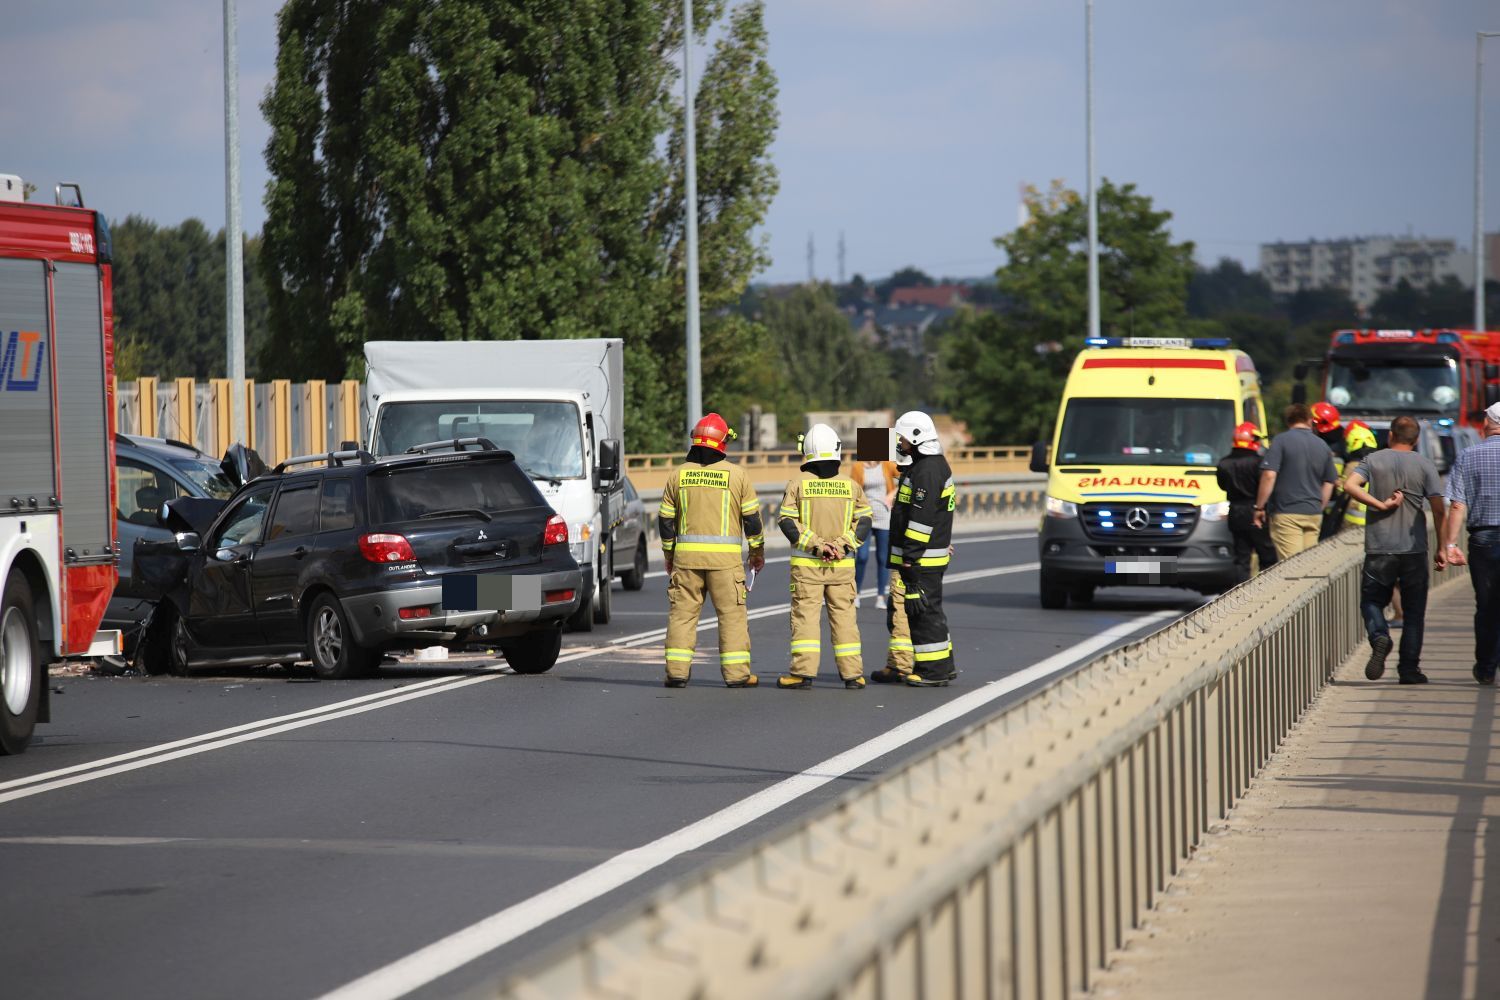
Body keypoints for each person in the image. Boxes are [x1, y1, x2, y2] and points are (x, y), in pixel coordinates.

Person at [658, 413, 765, 689]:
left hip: (686, 562)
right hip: (726, 565)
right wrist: (756, 553)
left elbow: (666, 521)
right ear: (722, 444)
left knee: (682, 616)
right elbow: (752, 520)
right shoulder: (738, 476)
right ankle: (737, 675)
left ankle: (677, 673)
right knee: (731, 617)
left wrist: (670, 556)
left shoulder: (677, 475)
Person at [1341, 415, 1446, 684]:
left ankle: (1379, 636)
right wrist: (1443, 547)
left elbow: (1349, 485)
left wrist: (1380, 504)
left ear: (1390, 436)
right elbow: (1437, 508)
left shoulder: (1372, 460)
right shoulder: (1425, 464)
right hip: (1413, 549)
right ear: (1417, 439)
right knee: (1414, 611)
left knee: (1372, 601)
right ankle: (1409, 670)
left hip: (1379, 547)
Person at [776, 425, 873, 690]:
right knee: (845, 619)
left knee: (805, 619)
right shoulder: (852, 487)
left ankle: (802, 673)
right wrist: (841, 547)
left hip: (807, 568)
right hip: (841, 567)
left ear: (808, 452)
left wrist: (818, 546)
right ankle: (853, 675)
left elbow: (787, 522)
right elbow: (864, 521)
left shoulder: (797, 485)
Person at [873, 410, 957, 688]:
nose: (900, 443)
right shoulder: (923, 467)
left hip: (921, 558)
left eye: (903, 438)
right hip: (923, 555)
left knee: (923, 613)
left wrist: (910, 560)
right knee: (929, 610)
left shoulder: (928, 471)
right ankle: (944, 666)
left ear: (916, 438)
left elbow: (920, 521)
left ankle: (933, 672)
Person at [1439, 402, 1500, 685]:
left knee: (1487, 606)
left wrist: (1449, 545)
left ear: (1489, 424)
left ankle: (1486, 668)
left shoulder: (1467, 455)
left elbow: (1457, 506)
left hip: (1483, 539)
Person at [1253, 403, 1339, 560]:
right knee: (1308, 566)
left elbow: (1269, 476)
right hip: (1313, 514)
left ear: (1288, 421)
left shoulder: (1281, 441)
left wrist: (1259, 507)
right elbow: (1329, 481)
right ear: (1310, 420)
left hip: (1287, 513)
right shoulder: (1322, 445)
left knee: (1291, 567)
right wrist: (1320, 506)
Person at [1215, 421, 1278, 583]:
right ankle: (1267, 588)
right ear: (1251, 440)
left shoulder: (1223, 463)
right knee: (1267, 555)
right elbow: (1266, 485)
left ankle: (1240, 593)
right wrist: (1261, 506)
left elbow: (1222, 486)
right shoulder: (1259, 462)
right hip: (1257, 509)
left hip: (1235, 511)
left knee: (1241, 557)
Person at [849, 454, 898, 608]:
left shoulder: (887, 464)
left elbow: (907, 478)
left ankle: (880, 597)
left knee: (883, 559)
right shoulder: (857, 467)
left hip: (884, 515)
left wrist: (892, 494)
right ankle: (856, 594)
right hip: (865, 517)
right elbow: (853, 490)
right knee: (861, 556)